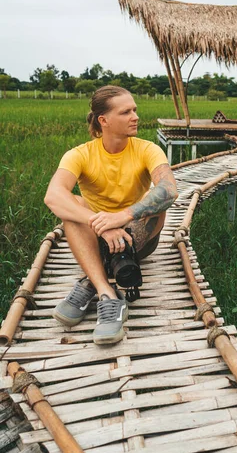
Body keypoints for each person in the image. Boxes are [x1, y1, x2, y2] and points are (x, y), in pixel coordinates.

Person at [44, 85, 178, 345]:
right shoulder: (80, 154)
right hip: (96, 233)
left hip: (136, 236)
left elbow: (169, 189)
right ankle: (108, 293)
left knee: (157, 204)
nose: (135, 116)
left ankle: (90, 280)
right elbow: (53, 196)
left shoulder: (147, 149)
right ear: (103, 121)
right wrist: (102, 225)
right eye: (126, 112)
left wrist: (123, 217)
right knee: (70, 204)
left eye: (135, 110)